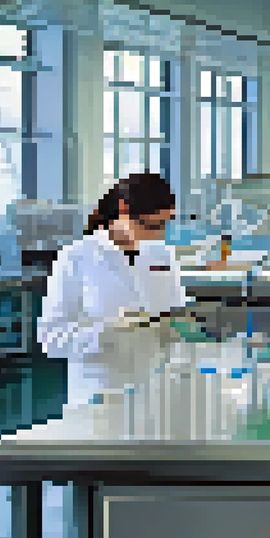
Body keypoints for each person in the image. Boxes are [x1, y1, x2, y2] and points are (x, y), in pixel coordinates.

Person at [37, 172, 186, 411]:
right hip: (99, 394)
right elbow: (51, 339)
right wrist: (108, 331)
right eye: (151, 225)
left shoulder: (162, 255)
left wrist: (181, 329)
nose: (158, 234)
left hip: (156, 392)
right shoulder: (76, 257)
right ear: (123, 210)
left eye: (164, 224)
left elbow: (176, 316)